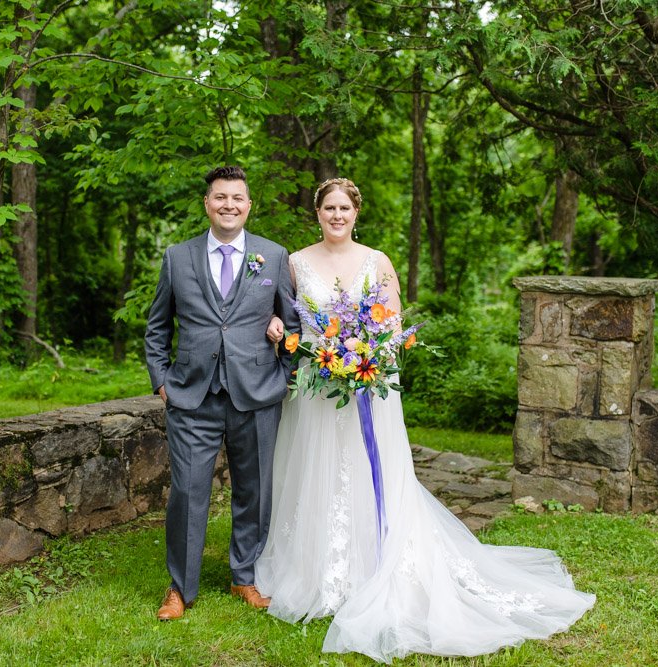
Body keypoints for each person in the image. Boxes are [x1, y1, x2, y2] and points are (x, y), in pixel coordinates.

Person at [255, 178, 595, 662]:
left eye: (344, 208)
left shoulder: (378, 261)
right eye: (328, 208)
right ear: (317, 212)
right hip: (316, 387)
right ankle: (315, 571)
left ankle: (378, 564)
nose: (336, 215)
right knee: (317, 472)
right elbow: (289, 321)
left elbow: (391, 323)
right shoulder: (295, 262)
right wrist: (290, 336)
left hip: (368, 384)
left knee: (373, 474)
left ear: (356, 213)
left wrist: (364, 355)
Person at [144, 166, 299, 621]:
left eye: (237, 198)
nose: (228, 205)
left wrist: (284, 374)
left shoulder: (272, 257)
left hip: (257, 393)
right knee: (188, 493)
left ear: (249, 205)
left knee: (254, 491)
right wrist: (161, 380)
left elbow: (292, 324)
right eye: (220, 197)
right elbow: (157, 327)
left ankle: (244, 577)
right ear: (207, 204)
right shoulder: (177, 256)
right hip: (192, 396)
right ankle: (180, 588)